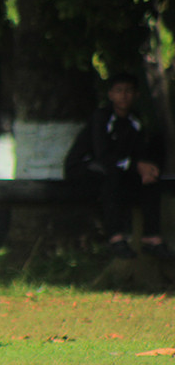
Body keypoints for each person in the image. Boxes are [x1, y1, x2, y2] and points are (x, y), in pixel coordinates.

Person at [64, 72, 174, 260]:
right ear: (111, 95)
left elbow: (137, 153)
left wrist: (147, 169)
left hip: (118, 169)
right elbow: (102, 156)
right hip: (86, 169)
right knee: (111, 177)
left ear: (136, 95)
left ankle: (151, 237)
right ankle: (115, 237)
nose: (124, 96)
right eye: (119, 91)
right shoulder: (102, 117)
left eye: (129, 91)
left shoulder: (136, 121)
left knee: (150, 182)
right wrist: (134, 165)